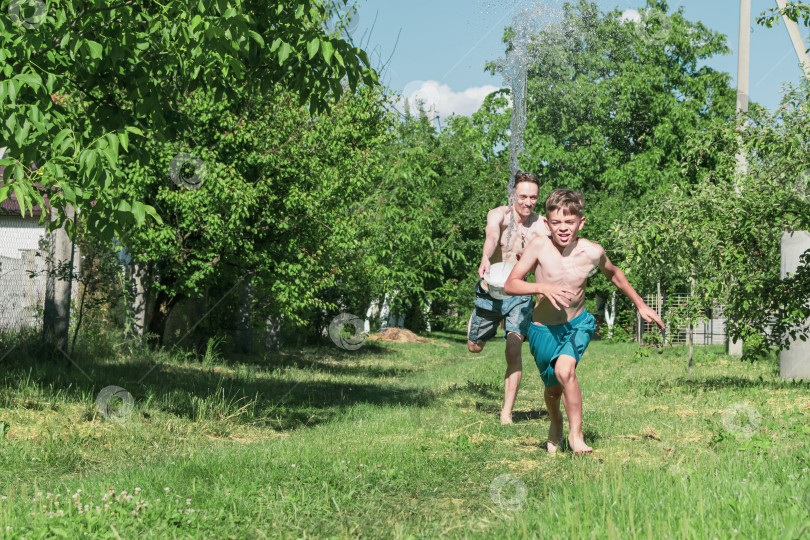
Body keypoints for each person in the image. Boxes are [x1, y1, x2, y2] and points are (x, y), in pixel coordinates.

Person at [504, 188, 664, 453]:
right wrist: (542, 288)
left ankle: (576, 436)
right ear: (547, 223)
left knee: (565, 370)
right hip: (543, 330)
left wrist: (641, 305)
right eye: (556, 222)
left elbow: (614, 274)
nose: (563, 228)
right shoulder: (539, 246)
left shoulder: (592, 251)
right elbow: (511, 284)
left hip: (577, 324)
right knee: (553, 390)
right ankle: (556, 423)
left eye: (569, 222)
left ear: (581, 221)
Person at [467, 172, 550, 425]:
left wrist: (540, 293)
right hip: (491, 291)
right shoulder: (498, 215)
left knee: (513, 349)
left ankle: (506, 412)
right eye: (523, 196)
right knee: (474, 347)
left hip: (519, 294)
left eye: (533, 197)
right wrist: (484, 258)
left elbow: (543, 260)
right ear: (513, 193)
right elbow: (492, 237)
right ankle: (476, 324)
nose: (528, 202)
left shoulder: (541, 226)